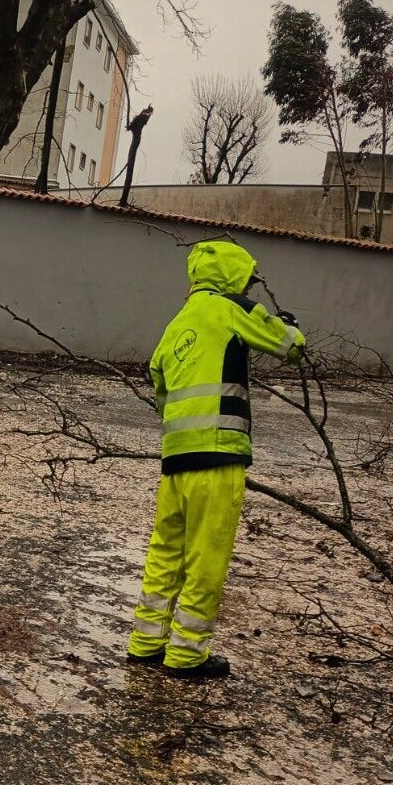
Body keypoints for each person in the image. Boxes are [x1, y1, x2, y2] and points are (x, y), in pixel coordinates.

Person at [126, 239, 304, 679]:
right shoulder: (230, 309)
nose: (250, 289)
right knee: (207, 557)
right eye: (247, 281)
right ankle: (187, 654)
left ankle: (146, 642)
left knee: (166, 551)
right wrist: (287, 325)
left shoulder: (178, 321)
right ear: (233, 279)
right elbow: (288, 346)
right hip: (219, 454)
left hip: (176, 459)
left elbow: (159, 382)